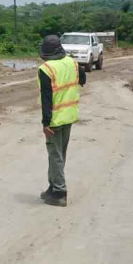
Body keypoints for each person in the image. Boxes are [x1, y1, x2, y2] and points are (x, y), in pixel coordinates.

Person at [38, 35, 86, 207]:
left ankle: (59, 192)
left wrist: (46, 123)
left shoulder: (46, 69)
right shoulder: (73, 63)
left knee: (55, 155)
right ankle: (52, 188)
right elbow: (83, 80)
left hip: (55, 119)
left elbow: (46, 99)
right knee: (59, 154)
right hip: (70, 115)